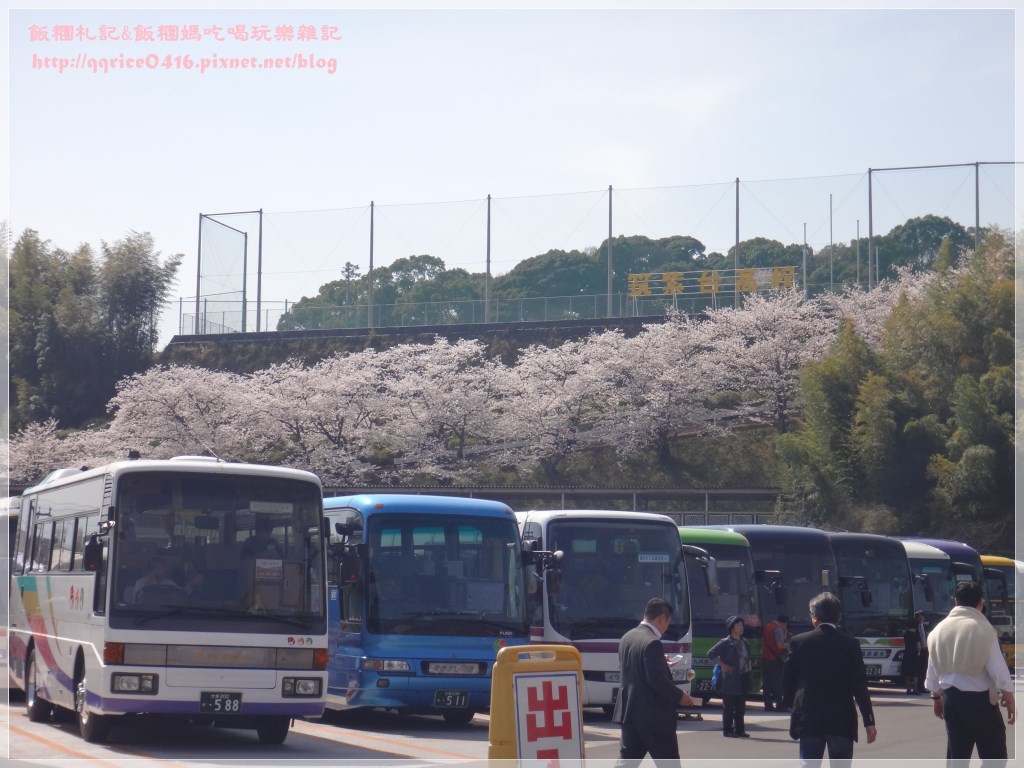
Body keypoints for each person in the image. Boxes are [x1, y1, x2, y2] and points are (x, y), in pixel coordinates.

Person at [924, 580, 1016, 763]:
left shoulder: (938, 631)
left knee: (957, 757)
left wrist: (936, 698)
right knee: (994, 757)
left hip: (951, 701)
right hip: (979, 702)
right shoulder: (983, 629)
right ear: (981, 603)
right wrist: (1009, 697)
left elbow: (932, 668)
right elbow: (998, 668)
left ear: (955, 601)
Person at [782, 592, 877, 765]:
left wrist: (789, 704)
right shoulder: (851, 644)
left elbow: (788, 678)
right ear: (838, 617)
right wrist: (868, 720)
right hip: (841, 721)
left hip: (809, 719)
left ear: (815, 617)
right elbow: (859, 685)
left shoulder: (799, 642)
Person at [612, 597, 695, 768]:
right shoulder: (653, 642)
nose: (666, 628)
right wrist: (680, 696)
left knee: (626, 762)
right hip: (654, 717)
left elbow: (635, 669)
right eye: (668, 623)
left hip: (629, 713)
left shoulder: (627, 637)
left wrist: (661, 662)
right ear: (662, 618)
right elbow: (656, 680)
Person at [708, 615, 753, 738]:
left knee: (740, 706)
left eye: (742, 625)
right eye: (739, 625)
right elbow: (710, 654)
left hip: (743, 677)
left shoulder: (744, 642)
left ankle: (740, 730)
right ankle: (727, 730)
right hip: (730, 679)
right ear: (732, 628)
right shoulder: (726, 642)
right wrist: (723, 665)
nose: (741, 627)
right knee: (728, 706)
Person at [761, 614, 790, 711]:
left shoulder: (767, 626)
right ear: (784, 623)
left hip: (765, 658)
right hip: (773, 659)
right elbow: (780, 645)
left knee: (766, 684)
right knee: (777, 683)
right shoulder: (778, 629)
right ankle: (780, 705)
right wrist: (788, 645)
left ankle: (768, 705)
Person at [902, 611, 925, 695]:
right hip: (914, 655)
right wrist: (918, 652)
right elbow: (918, 646)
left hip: (906, 653)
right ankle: (915, 690)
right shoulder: (916, 634)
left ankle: (908, 689)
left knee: (907, 672)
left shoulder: (906, 633)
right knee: (915, 673)